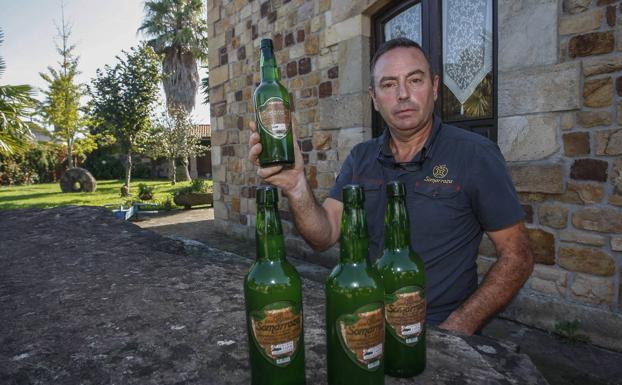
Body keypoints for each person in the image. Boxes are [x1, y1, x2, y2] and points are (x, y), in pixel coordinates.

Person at [248, 37, 534, 335]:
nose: (402, 94)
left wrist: (457, 328)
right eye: (388, 84)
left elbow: (518, 255)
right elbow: (324, 235)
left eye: (415, 79)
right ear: (374, 97)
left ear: (435, 87)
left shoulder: (475, 155)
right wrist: (296, 186)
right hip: (365, 323)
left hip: (436, 326)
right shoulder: (361, 157)